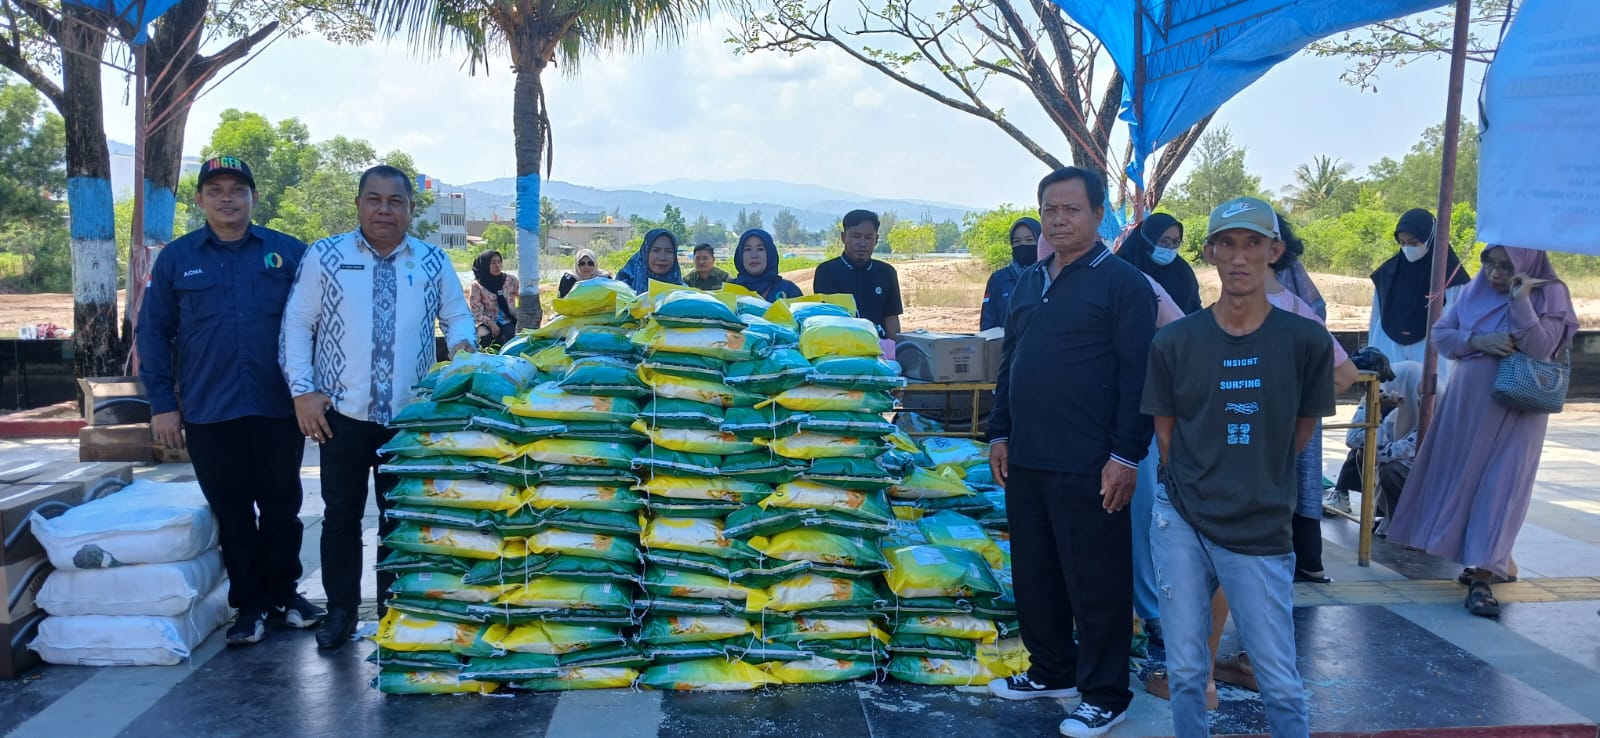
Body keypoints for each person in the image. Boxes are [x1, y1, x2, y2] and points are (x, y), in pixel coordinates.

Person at [1142, 196, 1335, 738]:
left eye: (1253, 243)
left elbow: (1300, 433)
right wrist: (1197, 487)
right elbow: (1165, 432)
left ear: (1275, 251)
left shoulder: (1304, 341)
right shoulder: (1175, 341)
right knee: (1186, 671)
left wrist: (1253, 480)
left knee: (1278, 677)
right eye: (1227, 243)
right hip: (1180, 517)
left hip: (1259, 524)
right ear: (1210, 253)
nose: (1240, 256)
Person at [985, 167, 1156, 738]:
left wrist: (1127, 456)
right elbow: (1011, 362)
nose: (1059, 220)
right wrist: (999, 432)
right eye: (1050, 210)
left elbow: (1139, 375)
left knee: (1097, 581)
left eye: (1072, 209)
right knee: (1036, 574)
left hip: (1091, 461)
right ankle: (1051, 669)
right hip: (1028, 456)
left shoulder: (1123, 284)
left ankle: (1106, 694)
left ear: (1098, 214)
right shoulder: (1030, 280)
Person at [280, 165, 476, 649]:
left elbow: (457, 317)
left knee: (402, 519)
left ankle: (396, 613)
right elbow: (297, 324)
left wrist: (463, 353)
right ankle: (341, 613)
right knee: (340, 518)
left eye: (395, 201)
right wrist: (303, 392)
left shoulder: (432, 260)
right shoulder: (326, 256)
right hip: (340, 416)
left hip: (410, 422)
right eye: (374, 199)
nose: (384, 209)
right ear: (358, 204)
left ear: (410, 208)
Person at [136, 156, 323, 646]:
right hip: (209, 410)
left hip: (278, 405)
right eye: (215, 190)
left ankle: (285, 595)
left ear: (253, 198)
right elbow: (153, 333)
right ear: (200, 199)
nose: (227, 198)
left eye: (237, 189)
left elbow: (321, 325)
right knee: (234, 513)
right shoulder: (177, 259)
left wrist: (316, 390)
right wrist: (162, 405)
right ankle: (250, 605)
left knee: (282, 508)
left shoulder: (288, 253)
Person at [1386, 246, 1578, 619]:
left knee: (1501, 486)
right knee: (1465, 481)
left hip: (1516, 412)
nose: (1494, 273)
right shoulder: (1476, 290)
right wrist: (1477, 341)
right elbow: (1442, 335)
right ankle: (1494, 558)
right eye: (1489, 263)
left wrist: (1521, 301)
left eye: (1506, 266)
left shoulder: (1550, 293)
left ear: (1526, 264)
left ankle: (1483, 577)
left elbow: (1540, 346)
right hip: (1466, 409)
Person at [1368, 208, 1471, 380]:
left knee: (1432, 391)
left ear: (1430, 239)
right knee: (1389, 390)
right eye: (1402, 243)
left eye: (1414, 243)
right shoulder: (1387, 274)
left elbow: (1463, 320)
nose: (1407, 248)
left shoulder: (1451, 276)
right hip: (1390, 347)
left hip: (1433, 350)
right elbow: (1375, 318)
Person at [1335, 361, 1423, 529]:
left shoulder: (1432, 422)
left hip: (1429, 493)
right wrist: (1370, 407)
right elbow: (1353, 439)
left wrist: (1377, 414)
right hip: (1409, 485)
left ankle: (1406, 527)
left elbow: (1383, 454)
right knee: (1363, 451)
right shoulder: (1397, 416)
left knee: (1390, 470)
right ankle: (1391, 519)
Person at [812, 210, 903, 338]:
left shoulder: (887, 272)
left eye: (868, 237)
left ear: (876, 240)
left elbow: (891, 318)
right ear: (844, 237)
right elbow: (828, 320)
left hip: (880, 346)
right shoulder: (827, 271)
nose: (862, 243)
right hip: (842, 345)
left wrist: (894, 347)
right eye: (856, 236)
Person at [1117, 212, 1203, 315]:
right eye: (1165, 241)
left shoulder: (1183, 272)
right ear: (1147, 240)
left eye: (1176, 241)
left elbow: (1195, 310)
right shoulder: (1122, 271)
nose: (1171, 247)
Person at [980, 217, 1040, 330]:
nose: (1023, 244)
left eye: (1029, 240)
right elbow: (988, 325)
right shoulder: (998, 279)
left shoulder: (1049, 275)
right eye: (1017, 241)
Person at [730, 228, 802, 301]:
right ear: (740, 255)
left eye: (760, 249)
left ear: (770, 253)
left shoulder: (789, 291)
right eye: (748, 249)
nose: (754, 256)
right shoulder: (729, 291)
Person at [469, 249, 519, 347]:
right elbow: (476, 313)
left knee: (511, 337)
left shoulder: (511, 280)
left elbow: (524, 297)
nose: (497, 265)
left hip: (507, 319)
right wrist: (490, 323)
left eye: (499, 262)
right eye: (493, 263)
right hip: (485, 321)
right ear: (485, 265)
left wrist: (519, 313)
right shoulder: (477, 285)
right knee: (484, 338)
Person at [616, 228, 682, 293]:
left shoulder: (682, 292)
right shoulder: (622, 286)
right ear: (645, 253)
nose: (662, 258)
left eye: (669, 251)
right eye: (656, 250)